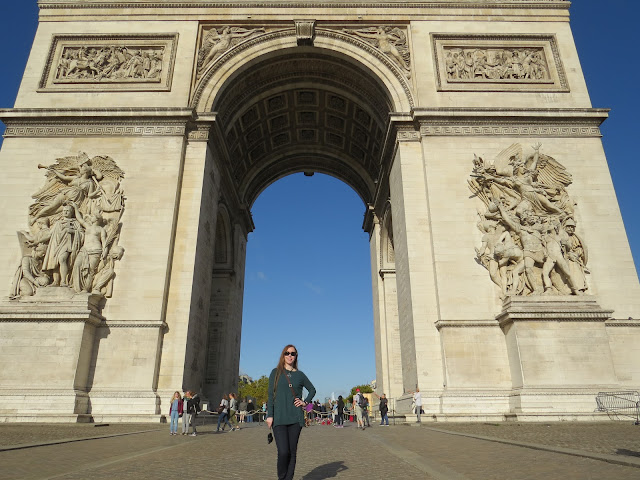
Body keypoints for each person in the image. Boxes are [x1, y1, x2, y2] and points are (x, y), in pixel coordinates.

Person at [267, 344, 316, 480]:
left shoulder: (300, 375)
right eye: (287, 353)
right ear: (283, 355)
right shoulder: (275, 373)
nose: (290, 356)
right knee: (283, 452)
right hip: (279, 417)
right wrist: (269, 415)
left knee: (292, 452)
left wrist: (305, 402)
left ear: (296, 357)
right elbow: (271, 395)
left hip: (295, 417)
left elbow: (312, 390)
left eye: (292, 354)